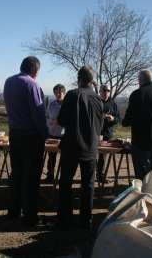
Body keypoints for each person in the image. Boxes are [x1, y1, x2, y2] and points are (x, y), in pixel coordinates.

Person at [57, 65, 104, 229]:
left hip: (72, 145)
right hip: (91, 147)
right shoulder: (99, 99)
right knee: (88, 185)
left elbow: (62, 120)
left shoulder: (72, 95)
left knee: (65, 183)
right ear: (92, 81)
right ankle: (86, 220)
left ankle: (65, 218)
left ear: (79, 79)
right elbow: (101, 124)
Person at [3, 56, 49, 226]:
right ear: (35, 71)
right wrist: (45, 134)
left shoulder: (8, 82)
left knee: (17, 173)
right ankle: (31, 216)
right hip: (30, 136)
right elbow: (38, 115)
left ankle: (14, 209)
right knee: (31, 177)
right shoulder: (32, 85)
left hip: (14, 133)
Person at [121, 69, 152, 180]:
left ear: (141, 80)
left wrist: (124, 122)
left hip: (142, 142)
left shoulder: (137, 94)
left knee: (143, 177)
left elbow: (129, 119)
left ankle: (144, 195)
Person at [97, 84, 121, 183]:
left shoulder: (113, 104)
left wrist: (113, 118)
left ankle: (100, 177)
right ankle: (90, 176)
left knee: (103, 156)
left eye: (108, 90)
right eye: (104, 90)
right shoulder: (96, 102)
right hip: (95, 132)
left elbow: (119, 118)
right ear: (100, 91)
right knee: (92, 155)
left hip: (107, 133)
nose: (106, 92)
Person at [44, 84, 66, 183]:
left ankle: (63, 178)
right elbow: (46, 117)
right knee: (51, 158)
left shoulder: (68, 105)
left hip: (64, 135)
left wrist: (61, 122)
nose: (58, 94)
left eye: (60, 92)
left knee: (64, 159)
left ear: (64, 93)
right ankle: (50, 176)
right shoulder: (51, 104)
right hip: (52, 134)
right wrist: (51, 122)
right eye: (56, 92)